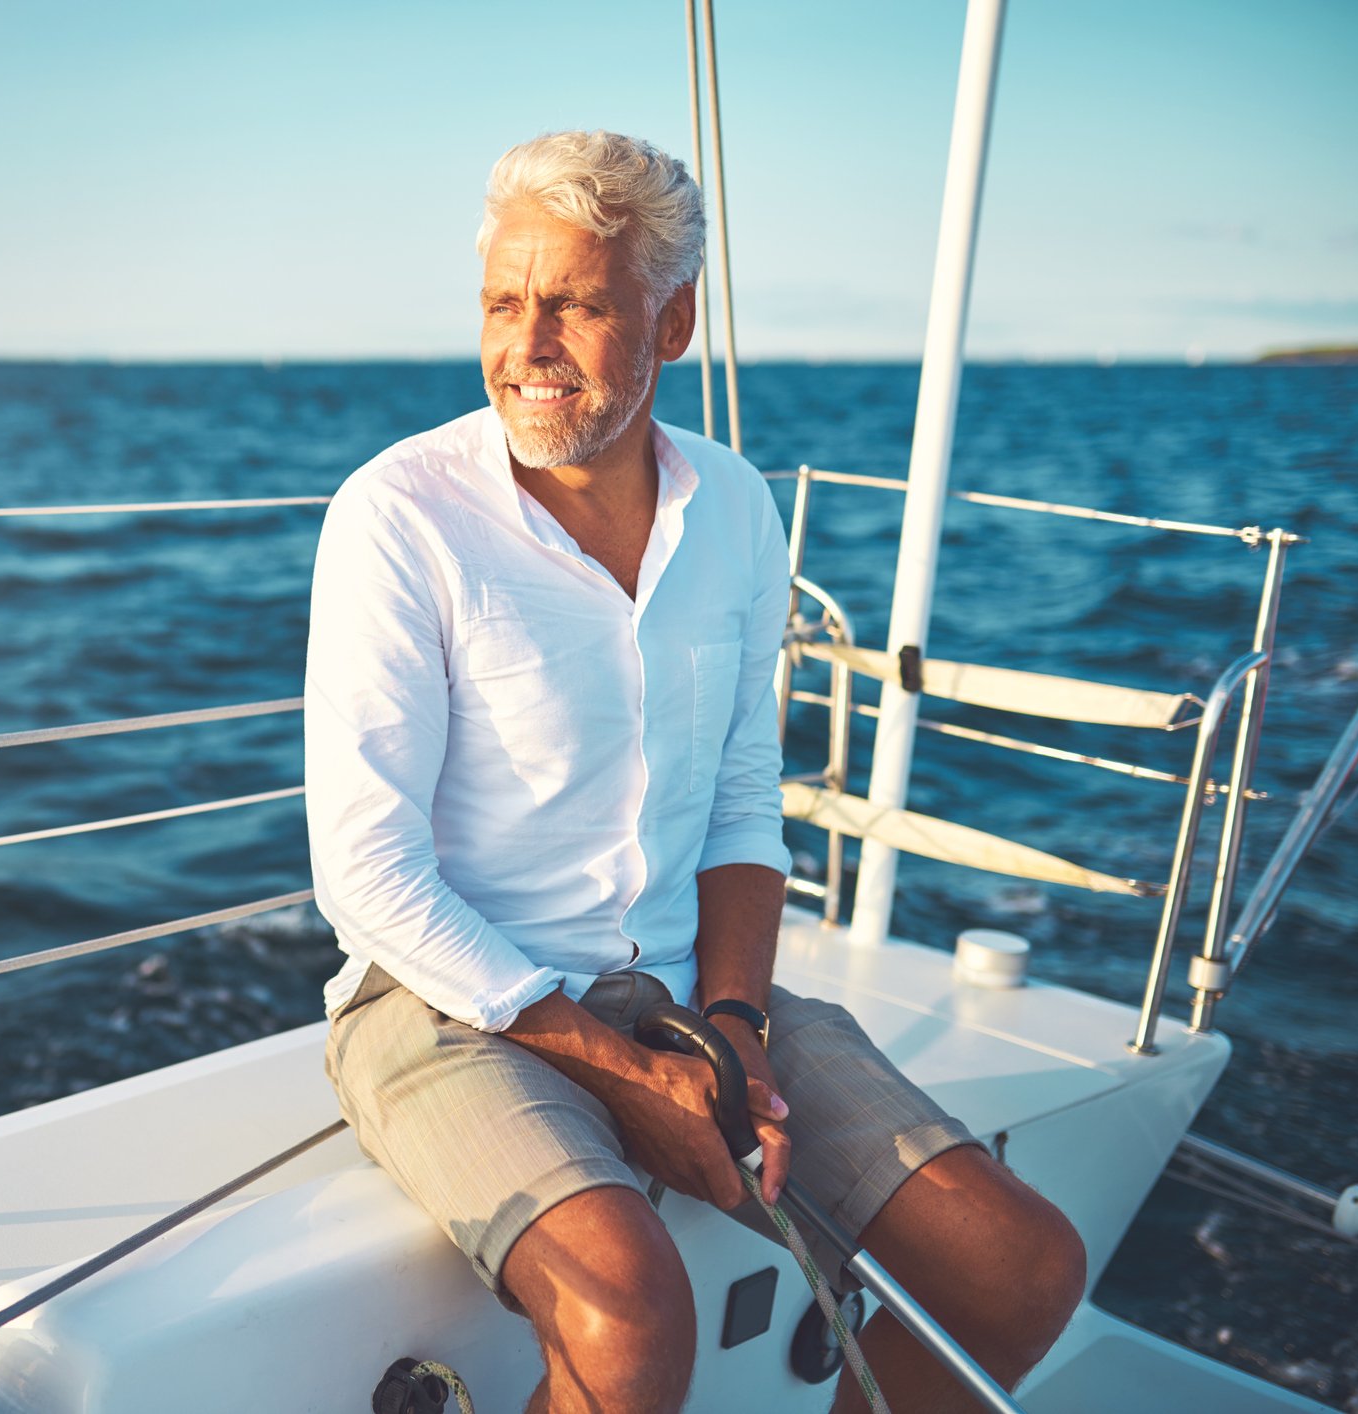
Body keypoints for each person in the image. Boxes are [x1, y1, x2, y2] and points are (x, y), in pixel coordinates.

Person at [306, 130, 1085, 1414]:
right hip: (448, 998)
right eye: (504, 302)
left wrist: (730, 1030)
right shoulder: (398, 517)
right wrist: (630, 1075)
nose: (527, 345)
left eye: (576, 304)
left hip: (684, 985)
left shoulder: (734, 507)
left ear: (671, 322)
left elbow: (738, 802)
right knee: (628, 1315)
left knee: (1016, 1266)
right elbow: (368, 874)